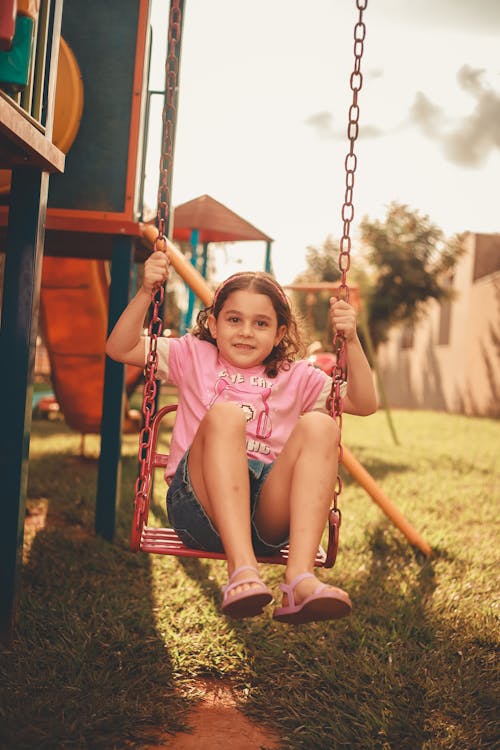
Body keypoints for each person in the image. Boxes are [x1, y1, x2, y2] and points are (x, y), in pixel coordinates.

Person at [106, 251, 378, 624]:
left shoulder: (296, 376)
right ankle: (242, 569)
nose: (246, 331)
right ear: (214, 325)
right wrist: (145, 292)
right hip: (200, 509)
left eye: (261, 323)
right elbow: (119, 348)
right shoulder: (192, 356)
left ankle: (299, 579)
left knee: (322, 426)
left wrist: (352, 338)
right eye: (234, 319)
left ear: (280, 333)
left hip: (266, 516)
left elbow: (364, 402)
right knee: (225, 415)